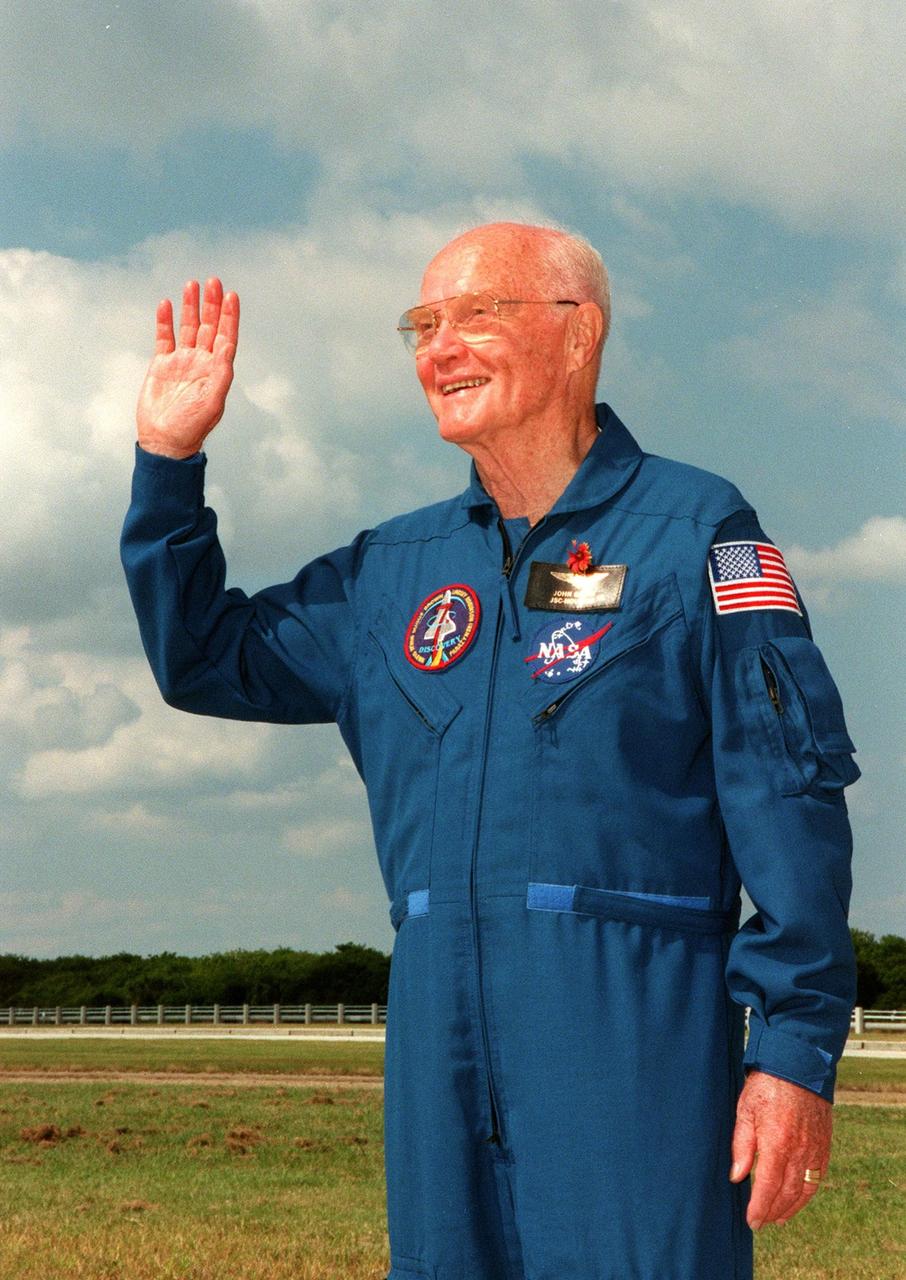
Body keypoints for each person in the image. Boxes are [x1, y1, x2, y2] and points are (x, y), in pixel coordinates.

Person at [121, 222, 859, 1280]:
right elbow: (202, 657)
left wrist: (793, 1051)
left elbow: (790, 795)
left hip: (632, 1035)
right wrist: (168, 463)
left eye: (477, 314)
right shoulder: (393, 569)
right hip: (438, 1044)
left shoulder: (698, 531)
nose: (440, 347)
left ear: (578, 332)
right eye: (423, 325)